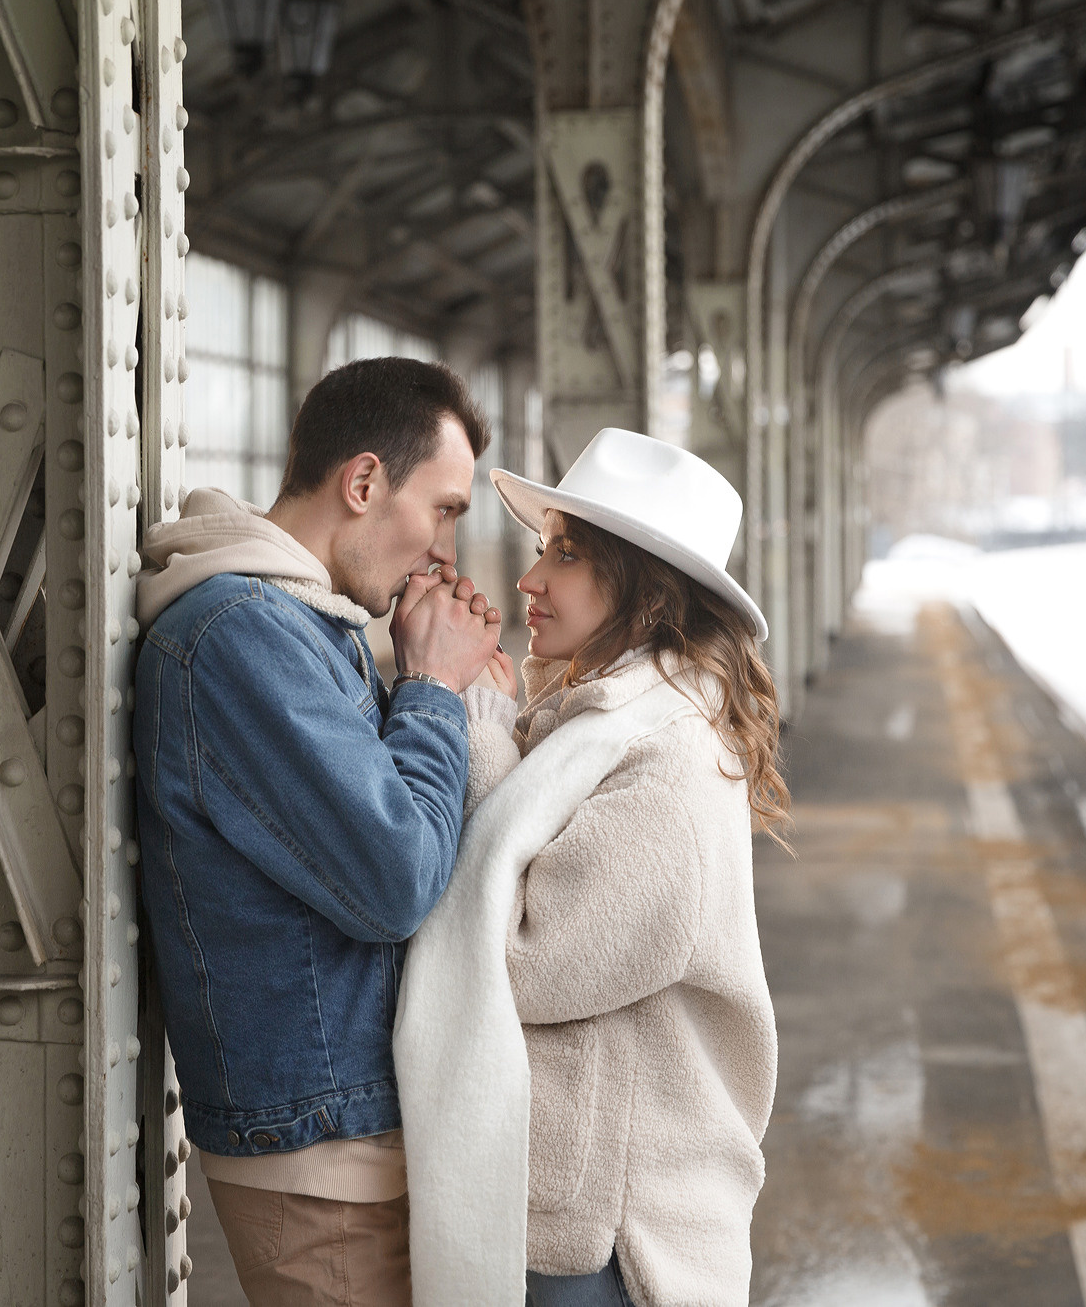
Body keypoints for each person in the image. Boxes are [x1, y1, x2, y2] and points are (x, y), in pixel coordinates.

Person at [131, 357, 503, 1307]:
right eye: (446, 508)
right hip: (321, 1154)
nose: (446, 550)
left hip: (348, 1129)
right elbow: (393, 878)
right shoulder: (239, 633)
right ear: (366, 482)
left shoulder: (305, 619)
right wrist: (430, 689)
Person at [394, 427, 782, 1307]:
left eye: (564, 555)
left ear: (646, 593)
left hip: (614, 1245)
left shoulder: (674, 759)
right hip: (572, 1214)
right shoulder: (594, 723)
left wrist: (480, 723)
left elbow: (528, 958)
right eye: (543, 549)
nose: (529, 579)